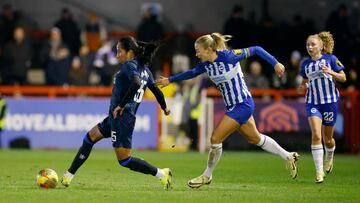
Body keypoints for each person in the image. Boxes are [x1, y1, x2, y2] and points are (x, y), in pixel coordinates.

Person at [156, 33, 299, 188]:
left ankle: (207, 175)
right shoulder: (206, 65)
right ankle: (288, 156)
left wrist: (276, 63)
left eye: (198, 50)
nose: (197, 54)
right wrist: (169, 80)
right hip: (233, 106)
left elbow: (256, 49)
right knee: (255, 139)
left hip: (243, 104)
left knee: (215, 139)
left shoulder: (229, 56)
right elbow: (191, 73)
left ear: (209, 49)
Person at [61, 36, 173, 190]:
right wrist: (164, 107)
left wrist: (120, 105)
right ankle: (68, 176)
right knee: (89, 138)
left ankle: (162, 174)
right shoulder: (146, 71)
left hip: (122, 118)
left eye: (119, 51)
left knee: (124, 160)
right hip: (115, 117)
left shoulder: (129, 66)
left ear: (130, 52)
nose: (117, 55)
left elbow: (135, 83)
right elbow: (156, 91)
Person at [298, 31, 346, 183]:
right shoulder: (305, 64)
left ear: (321, 46)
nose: (310, 47)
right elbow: (304, 81)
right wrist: (303, 85)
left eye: (313, 44)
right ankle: (319, 172)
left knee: (328, 139)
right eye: (308, 45)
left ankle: (329, 157)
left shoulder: (331, 59)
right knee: (316, 135)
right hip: (313, 102)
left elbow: (343, 77)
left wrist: (331, 72)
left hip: (330, 102)